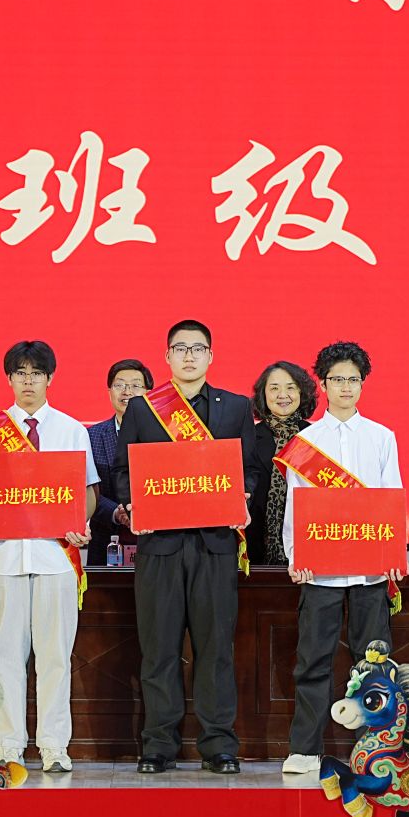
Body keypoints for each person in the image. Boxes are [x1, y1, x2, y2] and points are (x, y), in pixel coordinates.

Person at [113, 318, 266, 774]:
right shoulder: (144, 409)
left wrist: (242, 495)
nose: (189, 356)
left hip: (214, 545)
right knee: (159, 649)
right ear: (167, 357)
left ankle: (219, 745)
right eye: (180, 348)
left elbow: (250, 468)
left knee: (215, 649)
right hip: (159, 546)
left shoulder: (236, 407)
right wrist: (133, 502)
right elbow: (123, 470)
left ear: (211, 356)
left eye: (198, 349)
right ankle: (158, 745)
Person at [0, 341, 99, 774]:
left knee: (55, 656)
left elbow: (88, 491)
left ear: (49, 378)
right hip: (2, 556)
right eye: (20, 373)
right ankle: (9, 745)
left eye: (36, 373)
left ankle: (54, 745)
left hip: (56, 556)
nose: (28, 381)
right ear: (8, 379)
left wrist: (81, 524)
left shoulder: (71, 429)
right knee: (4, 655)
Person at [279, 343, 403, 774]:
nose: (345, 387)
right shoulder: (306, 442)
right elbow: (295, 505)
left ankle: (377, 749)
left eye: (353, 379)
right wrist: (296, 555)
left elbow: (391, 497)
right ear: (323, 384)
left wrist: (393, 553)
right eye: (337, 379)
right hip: (320, 570)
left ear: (363, 384)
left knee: (374, 662)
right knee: (313, 660)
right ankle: (305, 749)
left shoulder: (382, 437)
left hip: (371, 570)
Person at [245, 359, 318, 565]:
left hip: (308, 545)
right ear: (263, 394)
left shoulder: (315, 437)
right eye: (274, 388)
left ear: (302, 393)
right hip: (256, 545)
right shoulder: (249, 436)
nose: (282, 395)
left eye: (290, 388)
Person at [89, 358, 151, 554]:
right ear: (109, 392)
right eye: (119, 385)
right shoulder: (91, 436)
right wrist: (116, 511)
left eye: (135, 386)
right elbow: (84, 489)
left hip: (155, 541)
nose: (127, 391)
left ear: (149, 393)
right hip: (105, 540)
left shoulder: (164, 436)